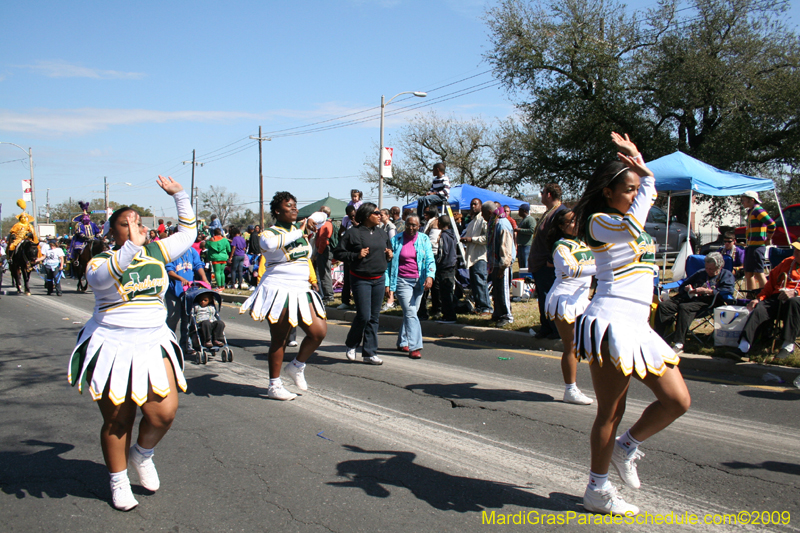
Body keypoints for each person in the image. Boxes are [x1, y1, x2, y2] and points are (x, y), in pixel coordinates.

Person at [573, 133, 690, 516]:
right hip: (609, 322)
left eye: (636, 189)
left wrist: (641, 165)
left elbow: (644, 202)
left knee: (677, 401)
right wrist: (646, 184)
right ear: (608, 193)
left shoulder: (627, 217)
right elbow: (634, 224)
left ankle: (627, 446)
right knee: (610, 411)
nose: (634, 194)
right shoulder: (597, 223)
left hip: (639, 324)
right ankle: (597, 489)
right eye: (627, 189)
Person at [67, 175, 196, 511]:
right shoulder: (101, 261)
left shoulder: (156, 250)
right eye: (126, 224)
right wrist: (131, 248)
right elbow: (99, 279)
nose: (136, 226)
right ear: (113, 233)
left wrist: (179, 195)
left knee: (163, 413)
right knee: (118, 419)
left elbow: (189, 233)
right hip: (113, 345)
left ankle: (142, 454)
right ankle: (118, 480)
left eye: (138, 221)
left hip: (153, 341)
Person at [239, 191, 328, 400]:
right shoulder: (269, 234)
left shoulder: (301, 227)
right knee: (280, 339)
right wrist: (300, 230)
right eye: (289, 206)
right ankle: (274, 385)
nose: (294, 209)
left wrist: (310, 221)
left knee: (318, 331)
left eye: (295, 205)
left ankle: (297, 365)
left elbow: (323, 215)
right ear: (278, 211)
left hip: (302, 289)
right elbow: (270, 246)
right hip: (278, 289)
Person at [543, 208, 596, 405]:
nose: (576, 223)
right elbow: (571, 270)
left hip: (582, 299)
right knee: (571, 346)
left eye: (577, 220)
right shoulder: (560, 246)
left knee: (589, 344)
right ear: (561, 226)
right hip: (565, 299)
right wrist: (604, 266)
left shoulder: (583, 243)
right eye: (571, 221)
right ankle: (570, 389)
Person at [334, 203, 393, 365]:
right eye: (376, 213)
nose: (379, 215)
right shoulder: (353, 233)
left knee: (374, 318)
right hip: (361, 279)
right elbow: (338, 252)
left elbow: (388, 249)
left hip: (379, 279)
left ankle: (369, 353)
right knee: (364, 316)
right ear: (367, 215)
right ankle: (351, 344)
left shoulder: (382, 232)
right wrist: (356, 255)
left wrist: (389, 254)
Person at [733, 240, 800, 362]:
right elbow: (771, 284)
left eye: (799, 251)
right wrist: (759, 298)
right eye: (795, 250)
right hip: (779, 296)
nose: (795, 252)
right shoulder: (787, 262)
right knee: (761, 308)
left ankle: (788, 345)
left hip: (796, 301)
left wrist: (795, 292)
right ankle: (744, 346)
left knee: (793, 302)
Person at [654, 252, 734, 353]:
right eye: (707, 268)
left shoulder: (726, 275)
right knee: (664, 306)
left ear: (719, 267)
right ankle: (660, 336)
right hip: (690, 298)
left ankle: (679, 342)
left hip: (708, 301)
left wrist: (708, 291)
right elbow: (684, 284)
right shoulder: (701, 273)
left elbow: (728, 290)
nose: (708, 271)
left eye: (711, 269)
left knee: (685, 308)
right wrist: (687, 289)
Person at [387, 215, 435, 359]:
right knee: (410, 312)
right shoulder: (396, 240)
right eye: (408, 225)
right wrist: (388, 284)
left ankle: (403, 341)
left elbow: (430, 260)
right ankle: (415, 346)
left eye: (414, 225)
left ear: (419, 226)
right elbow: (388, 264)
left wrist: (430, 276)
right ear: (405, 225)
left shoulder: (424, 239)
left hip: (419, 281)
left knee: (411, 312)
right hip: (402, 281)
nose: (411, 228)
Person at [529, 184, 567, 339]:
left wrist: (551, 260)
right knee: (543, 297)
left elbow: (559, 239)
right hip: (539, 263)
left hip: (548, 264)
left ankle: (555, 329)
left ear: (549, 195)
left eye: (543, 193)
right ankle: (545, 327)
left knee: (550, 297)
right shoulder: (549, 212)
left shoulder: (561, 212)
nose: (541, 195)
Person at [165, 244, 209, 356]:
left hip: (188, 291)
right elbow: (169, 270)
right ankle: (168, 344)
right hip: (173, 292)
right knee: (173, 319)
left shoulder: (192, 251)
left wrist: (204, 279)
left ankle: (185, 345)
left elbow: (198, 265)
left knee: (188, 319)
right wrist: (180, 278)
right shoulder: (172, 252)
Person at [484, 202, 515, 327]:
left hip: (502, 264)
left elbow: (506, 246)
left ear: (490, 212)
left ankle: (507, 315)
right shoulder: (494, 223)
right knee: (496, 291)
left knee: (503, 290)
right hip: (495, 263)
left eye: (483, 213)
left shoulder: (502, 224)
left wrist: (503, 266)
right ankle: (498, 313)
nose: (482, 215)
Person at [461, 198, 493, 315]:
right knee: (475, 283)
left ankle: (486, 307)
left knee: (480, 282)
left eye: (475, 204)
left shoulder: (483, 220)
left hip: (481, 256)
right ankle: (479, 306)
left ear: (480, 206)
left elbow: (487, 238)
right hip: (472, 256)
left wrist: (471, 239)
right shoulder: (472, 221)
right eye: (471, 204)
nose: (473, 206)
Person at [742, 191, 776, 292]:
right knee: (748, 273)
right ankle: (751, 294)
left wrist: (768, 238)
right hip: (751, 246)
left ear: (752, 200)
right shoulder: (751, 211)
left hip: (758, 246)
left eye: (744, 200)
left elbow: (772, 224)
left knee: (758, 272)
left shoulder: (759, 211)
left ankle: (766, 294)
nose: (742, 202)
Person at [435, 215, 459, 324]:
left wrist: (437, 263)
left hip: (444, 266)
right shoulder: (453, 235)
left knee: (445, 293)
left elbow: (442, 252)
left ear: (439, 224)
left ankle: (449, 316)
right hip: (452, 265)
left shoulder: (443, 236)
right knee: (449, 291)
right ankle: (449, 313)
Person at [337, 204, 357, 310]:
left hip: (357, 256)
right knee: (347, 280)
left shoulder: (359, 224)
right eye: (350, 216)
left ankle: (357, 302)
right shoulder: (346, 223)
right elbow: (341, 235)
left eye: (354, 215)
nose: (352, 218)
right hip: (348, 255)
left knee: (356, 281)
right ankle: (345, 301)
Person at [69, 202, 101, 266]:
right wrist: (84, 237)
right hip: (82, 239)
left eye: (87, 216)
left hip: (93, 238)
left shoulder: (93, 224)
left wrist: (98, 235)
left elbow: (97, 231)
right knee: (77, 247)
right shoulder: (79, 224)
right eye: (85, 217)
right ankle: (76, 260)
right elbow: (79, 232)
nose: (86, 218)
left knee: (100, 245)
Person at [313, 206, 335, 302]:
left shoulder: (325, 225)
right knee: (324, 272)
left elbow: (323, 239)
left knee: (324, 273)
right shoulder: (328, 223)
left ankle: (328, 296)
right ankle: (326, 294)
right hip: (325, 250)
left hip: (324, 250)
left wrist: (319, 251)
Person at [515, 203, 536, 270]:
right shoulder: (523, 219)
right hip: (521, 245)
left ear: (524, 211)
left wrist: (519, 230)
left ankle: (527, 278)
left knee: (526, 265)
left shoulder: (530, 219)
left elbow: (532, 230)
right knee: (521, 265)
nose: (518, 212)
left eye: (519, 210)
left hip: (527, 246)